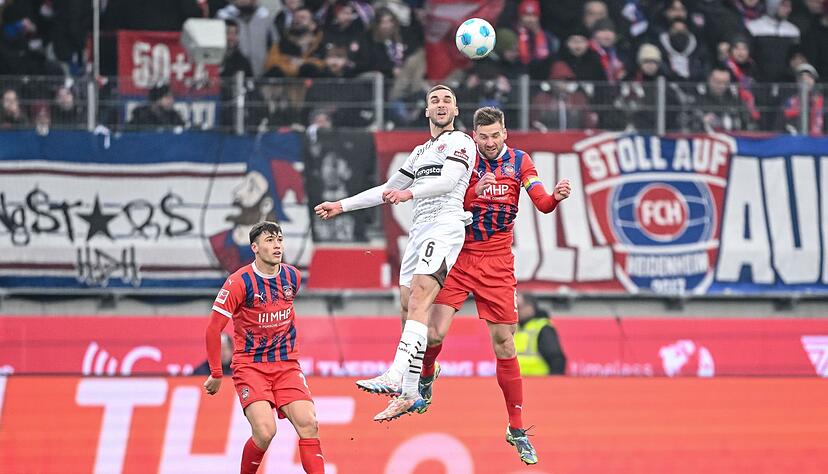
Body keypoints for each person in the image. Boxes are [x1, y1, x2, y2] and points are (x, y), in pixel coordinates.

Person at [418, 106, 572, 465]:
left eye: (495, 135)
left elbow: (543, 203)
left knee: (504, 344)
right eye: (483, 137)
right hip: (459, 255)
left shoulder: (520, 162)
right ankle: (427, 375)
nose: (489, 143)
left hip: (498, 262)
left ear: (505, 133)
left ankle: (516, 427)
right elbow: (447, 204)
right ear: (474, 136)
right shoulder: (464, 160)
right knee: (434, 334)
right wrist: (475, 190)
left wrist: (557, 197)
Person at [314, 84, 476, 422]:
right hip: (418, 232)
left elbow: (447, 183)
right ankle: (411, 391)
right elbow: (387, 190)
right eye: (435, 100)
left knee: (419, 300)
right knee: (406, 309)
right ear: (427, 111)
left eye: (448, 100)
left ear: (456, 111)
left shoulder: (460, 142)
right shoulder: (418, 152)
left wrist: (410, 194)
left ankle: (395, 375)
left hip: (444, 224)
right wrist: (341, 206)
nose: (441, 104)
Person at [202, 221, 325, 474]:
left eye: (279, 239)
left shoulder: (293, 276)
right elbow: (213, 329)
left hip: (286, 365)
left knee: (309, 423)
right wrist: (216, 373)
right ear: (255, 247)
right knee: (265, 431)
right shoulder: (238, 282)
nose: (277, 244)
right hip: (251, 367)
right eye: (270, 240)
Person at [515, 292, 567, 376]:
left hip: (539, 382)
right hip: (519, 382)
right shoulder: (516, 328)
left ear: (530, 308)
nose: (516, 310)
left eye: (518, 307)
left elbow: (556, 360)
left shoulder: (543, 328)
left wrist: (554, 384)